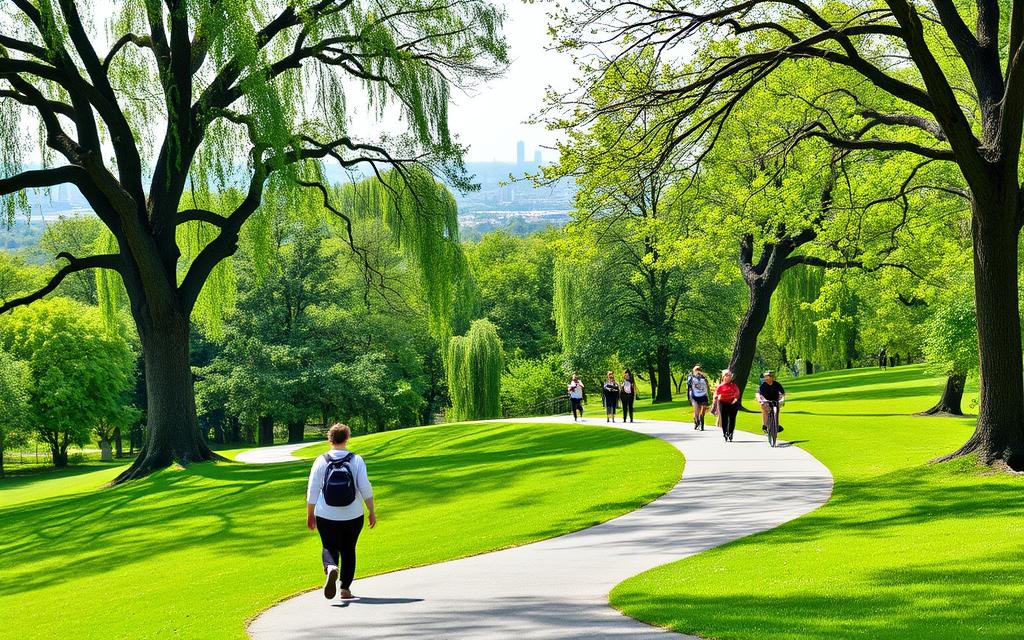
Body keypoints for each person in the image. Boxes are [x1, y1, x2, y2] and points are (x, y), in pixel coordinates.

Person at [306, 423, 376, 600]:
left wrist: (310, 514)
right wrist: (371, 510)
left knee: (328, 545)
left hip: (325, 514)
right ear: (347, 438)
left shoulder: (321, 460)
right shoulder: (356, 460)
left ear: (329, 439)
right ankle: (345, 588)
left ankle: (330, 567)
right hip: (352, 514)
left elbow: (312, 489)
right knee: (348, 549)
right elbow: (365, 487)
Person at [714, 369, 741, 442]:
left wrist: (735, 399)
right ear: (723, 377)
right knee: (724, 419)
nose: (728, 377)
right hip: (723, 403)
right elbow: (716, 393)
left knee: (732, 419)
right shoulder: (720, 386)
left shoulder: (733, 385)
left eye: (729, 375)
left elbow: (737, 393)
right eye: (726, 375)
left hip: (733, 403)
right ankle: (725, 432)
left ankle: (730, 433)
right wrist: (717, 396)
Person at [686, 365, 711, 430]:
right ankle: (696, 422)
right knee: (696, 411)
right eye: (696, 370)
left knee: (702, 411)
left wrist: (709, 395)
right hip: (695, 396)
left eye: (699, 370)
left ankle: (702, 423)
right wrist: (692, 376)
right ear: (693, 370)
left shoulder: (703, 377)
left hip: (703, 395)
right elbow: (688, 384)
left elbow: (708, 385)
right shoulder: (691, 377)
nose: (698, 371)